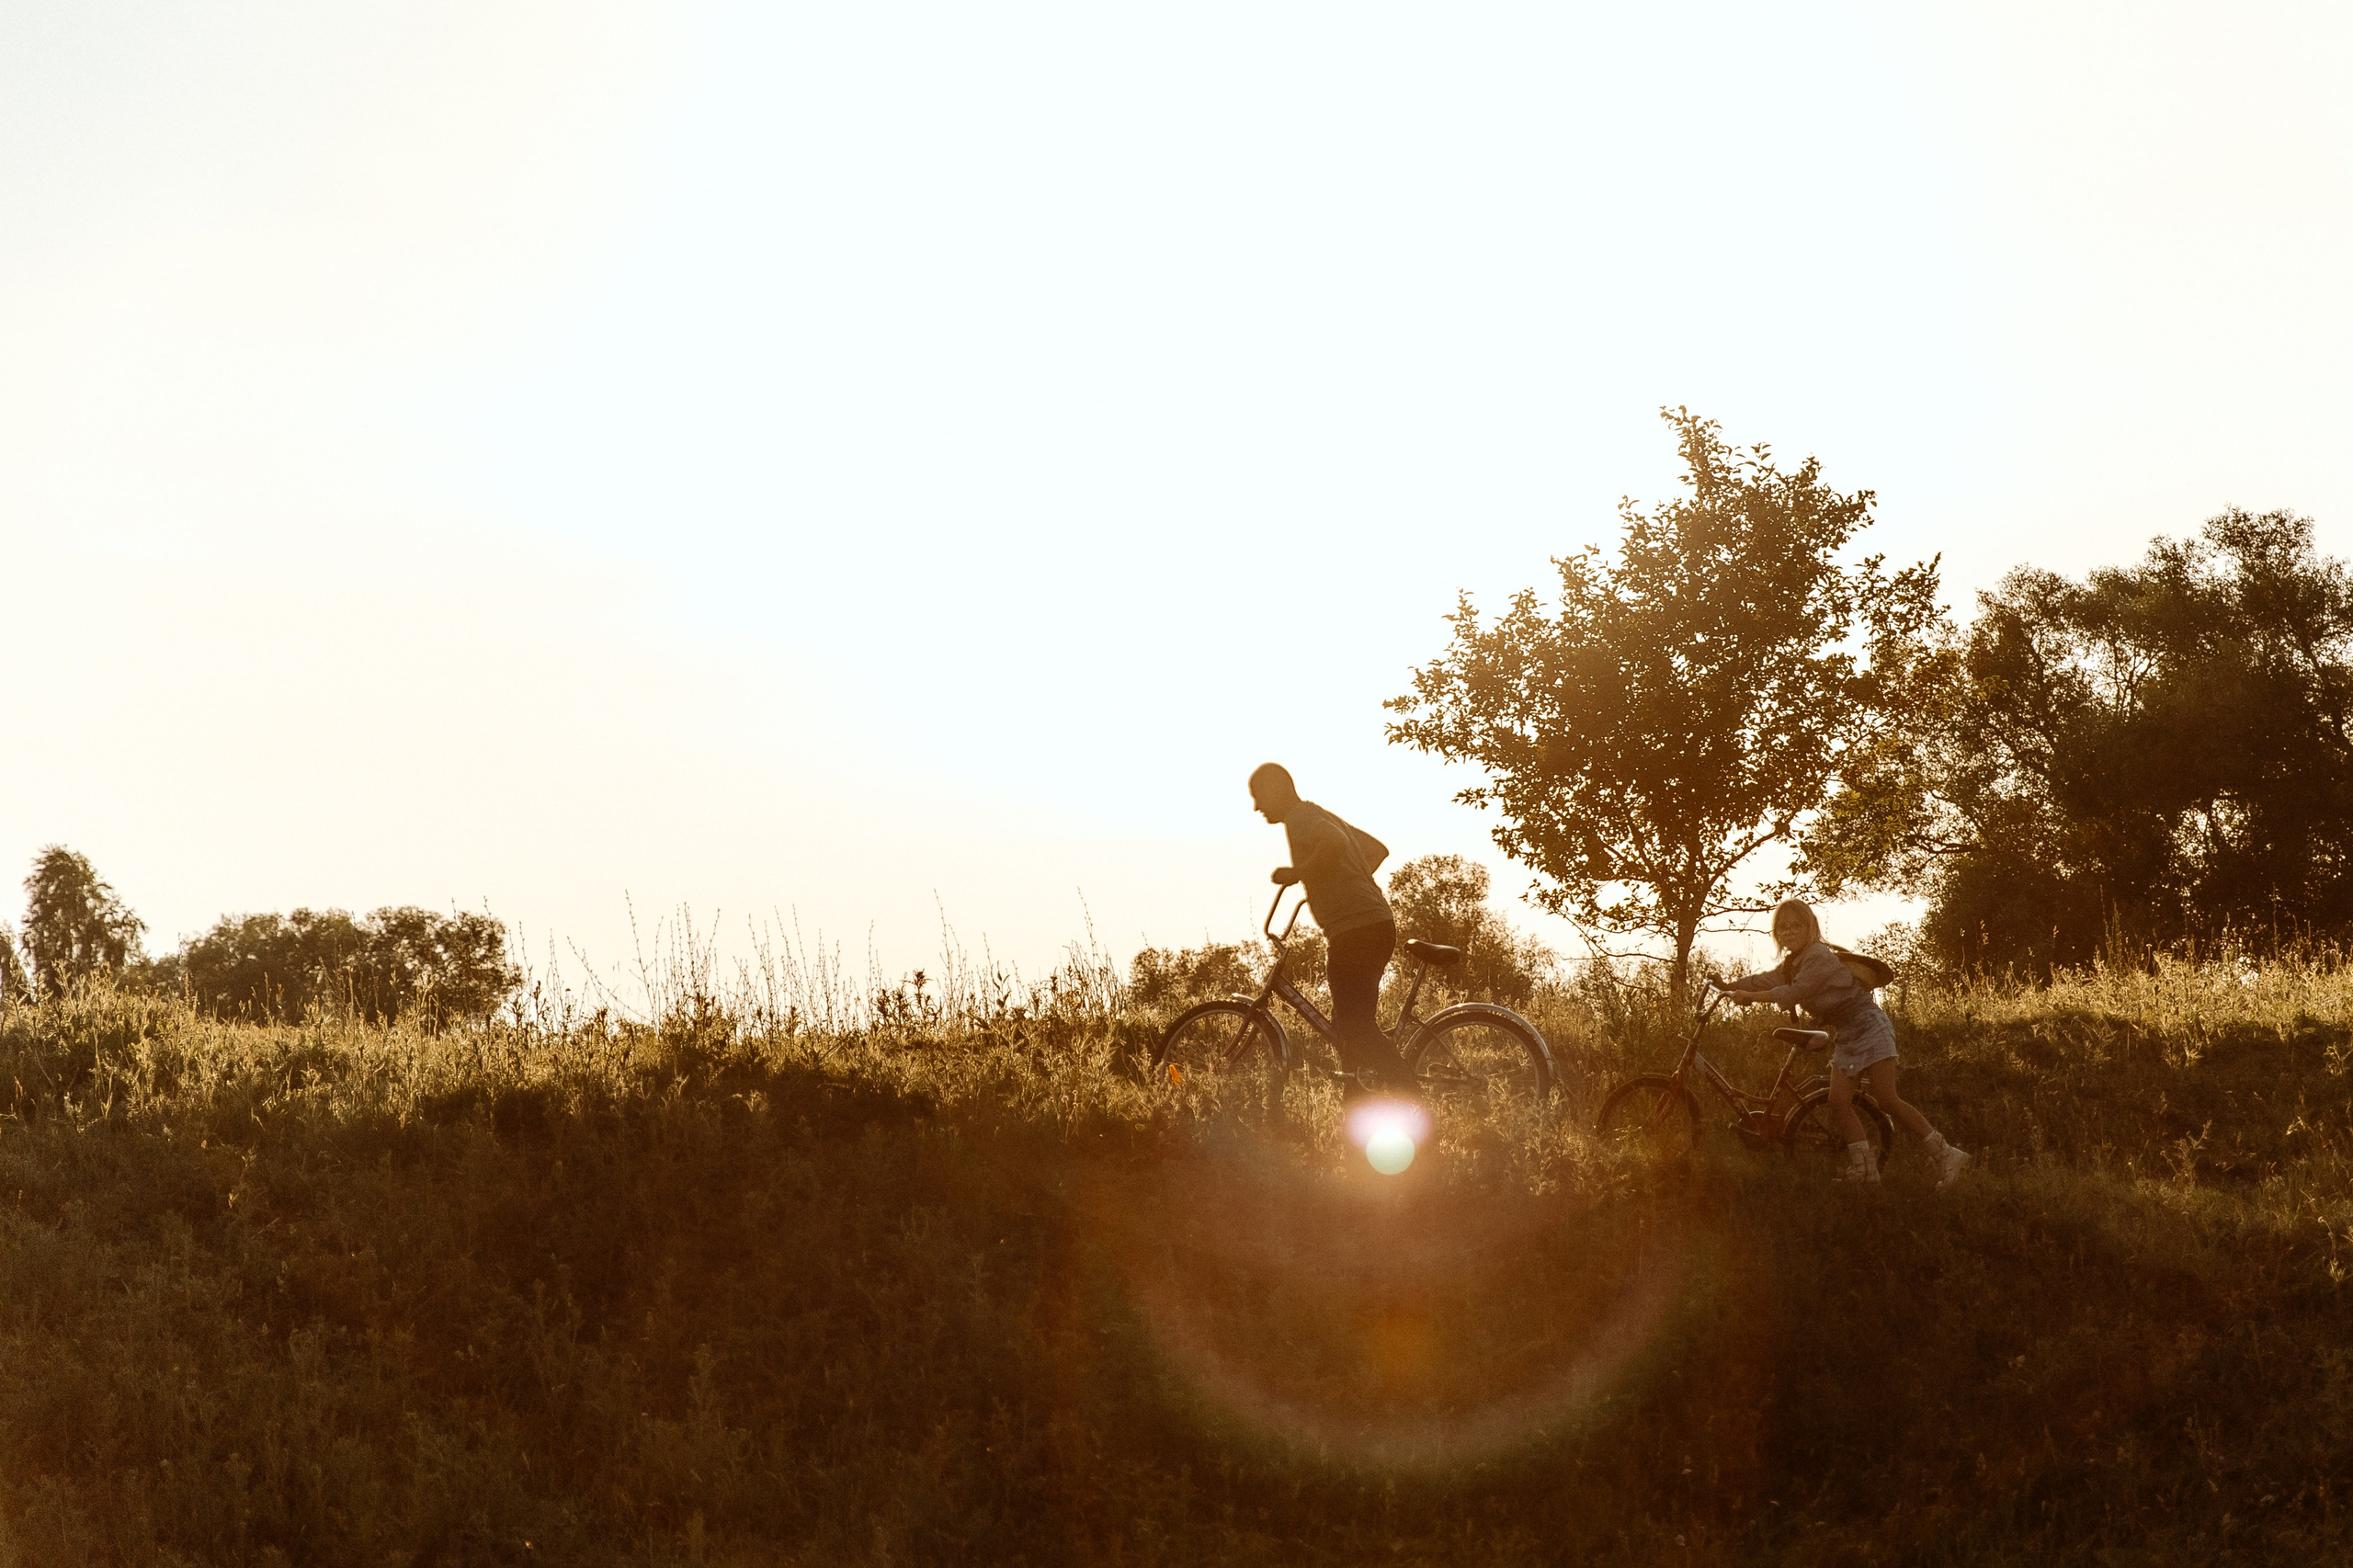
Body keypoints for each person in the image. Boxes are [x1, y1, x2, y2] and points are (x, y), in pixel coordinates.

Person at [1724, 898, 1970, 1188]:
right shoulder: (1793, 963)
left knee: (1887, 1099)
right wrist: (1729, 986)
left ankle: (1947, 1155)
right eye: (1782, 928)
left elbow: (1794, 993)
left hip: (1869, 1026)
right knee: (1838, 1102)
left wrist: (1749, 997)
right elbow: (1768, 980)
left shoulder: (1818, 955)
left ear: (1810, 927)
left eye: (1796, 926)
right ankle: (1866, 1172)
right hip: (1849, 1033)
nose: (1789, 932)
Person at [1248, 762, 1413, 1096]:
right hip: (1371, 922)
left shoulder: (1300, 818)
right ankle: (1357, 1108)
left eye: (1258, 796)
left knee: (1356, 1027)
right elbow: (1376, 851)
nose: (1256, 807)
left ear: (1276, 789)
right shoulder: (1319, 814)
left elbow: (1335, 844)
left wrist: (1301, 873)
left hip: (1357, 929)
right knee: (1346, 1030)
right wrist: (1337, 884)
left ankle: (1412, 1098)